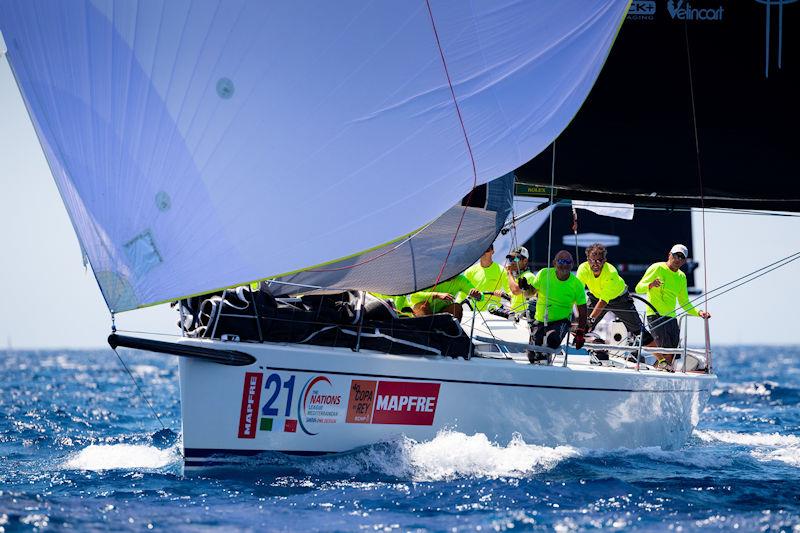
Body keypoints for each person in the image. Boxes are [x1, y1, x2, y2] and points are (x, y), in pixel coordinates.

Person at [635, 244, 711, 369]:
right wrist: (651, 284)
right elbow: (638, 288)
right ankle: (658, 373)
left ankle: (660, 372)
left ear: (685, 261)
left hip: (671, 318)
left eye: (682, 257)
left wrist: (699, 312)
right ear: (669, 255)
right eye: (676, 255)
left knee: (674, 355)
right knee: (666, 354)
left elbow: (684, 303)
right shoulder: (657, 268)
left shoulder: (681, 277)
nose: (678, 259)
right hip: (655, 316)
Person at [576, 243, 655, 347]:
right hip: (596, 297)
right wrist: (580, 318)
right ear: (587, 259)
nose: (595, 264)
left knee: (640, 332)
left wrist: (590, 320)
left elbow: (603, 301)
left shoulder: (611, 272)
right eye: (592, 260)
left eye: (599, 260)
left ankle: (662, 361)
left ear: (604, 260)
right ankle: (573, 349)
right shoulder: (583, 268)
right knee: (580, 327)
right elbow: (577, 293)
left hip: (619, 300)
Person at [520, 250, 588, 364]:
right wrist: (524, 288)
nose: (564, 264)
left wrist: (581, 332)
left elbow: (583, 309)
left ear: (572, 264)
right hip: (540, 320)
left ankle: (546, 359)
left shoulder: (577, 284)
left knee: (551, 340)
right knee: (532, 356)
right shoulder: (543, 273)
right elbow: (529, 293)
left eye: (567, 262)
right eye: (561, 261)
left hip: (561, 321)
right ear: (554, 263)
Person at [408, 274, 482, 320]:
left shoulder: (461, 279)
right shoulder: (431, 276)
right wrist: (436, 295)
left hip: (442, 313)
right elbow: (413, 296)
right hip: (423, 312)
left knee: (456, 307)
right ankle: (425, 332)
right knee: (423, 305)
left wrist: (478, 295)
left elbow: (481, 296)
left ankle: (449, 335)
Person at [464, 244, 509, 311]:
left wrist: (502, 294)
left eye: (487, 250)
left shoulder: (501, 270)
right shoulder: (469, 271)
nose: (484, 253)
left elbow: (510, 292)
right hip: (474, 312)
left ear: (492, 251)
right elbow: (461, 294)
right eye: (482, 250)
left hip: (494, 311)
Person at [505, 246, 534, 314]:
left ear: (525, 261)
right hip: (516, 315)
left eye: (516, 259)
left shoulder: (529, 276)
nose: (513, 262)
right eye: (511, 259)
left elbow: (516, 291)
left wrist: (509, 272)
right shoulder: (517, 277)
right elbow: (515, 297)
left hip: (525, 317)